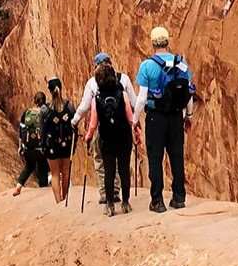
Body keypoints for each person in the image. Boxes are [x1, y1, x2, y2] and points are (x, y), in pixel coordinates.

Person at [136, 26, 195, 213]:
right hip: (177, 116)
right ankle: (179, 197)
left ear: (152, 43)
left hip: (156, 117)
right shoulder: (181, 64)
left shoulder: (147, 66)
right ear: (167, 42)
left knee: (155, 158)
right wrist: (189, 116)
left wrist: (135, 119)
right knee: (176, 156)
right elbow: (189, 93)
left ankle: (157, 200)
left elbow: (142, 98)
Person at [73, 53, 141, 203]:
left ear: (96, 66)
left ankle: (106, 194)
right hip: (122, 128)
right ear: (111, 63)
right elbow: (134, 103)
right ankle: (118, 192)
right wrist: (136, 125)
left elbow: (85, 107)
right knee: (122, 163)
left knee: (102, 161)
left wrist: (75, 120)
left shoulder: (92, 82)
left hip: (103, 129)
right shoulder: (123, 79)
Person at [41, 77, 77, 203]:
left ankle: (58, 201)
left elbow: (42, 130)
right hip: (66, 143)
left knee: (55, 174)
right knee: (66, 172)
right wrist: (74, 143)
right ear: (61, 88)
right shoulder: (69, 106)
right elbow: (74, 126)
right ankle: (66, 198)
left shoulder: (46, 109)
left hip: (51, 145)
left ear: (50, 91)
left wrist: (43, 146)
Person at [13, 92, 50, 195]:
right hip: (41, 149)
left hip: (28, 148)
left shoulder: (27, 112)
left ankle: (18, 186)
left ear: (34, 101)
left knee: (29, 167)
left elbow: (21, 131)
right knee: (43, 168)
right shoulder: (45, 113)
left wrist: (20, 147)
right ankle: (43, 192)